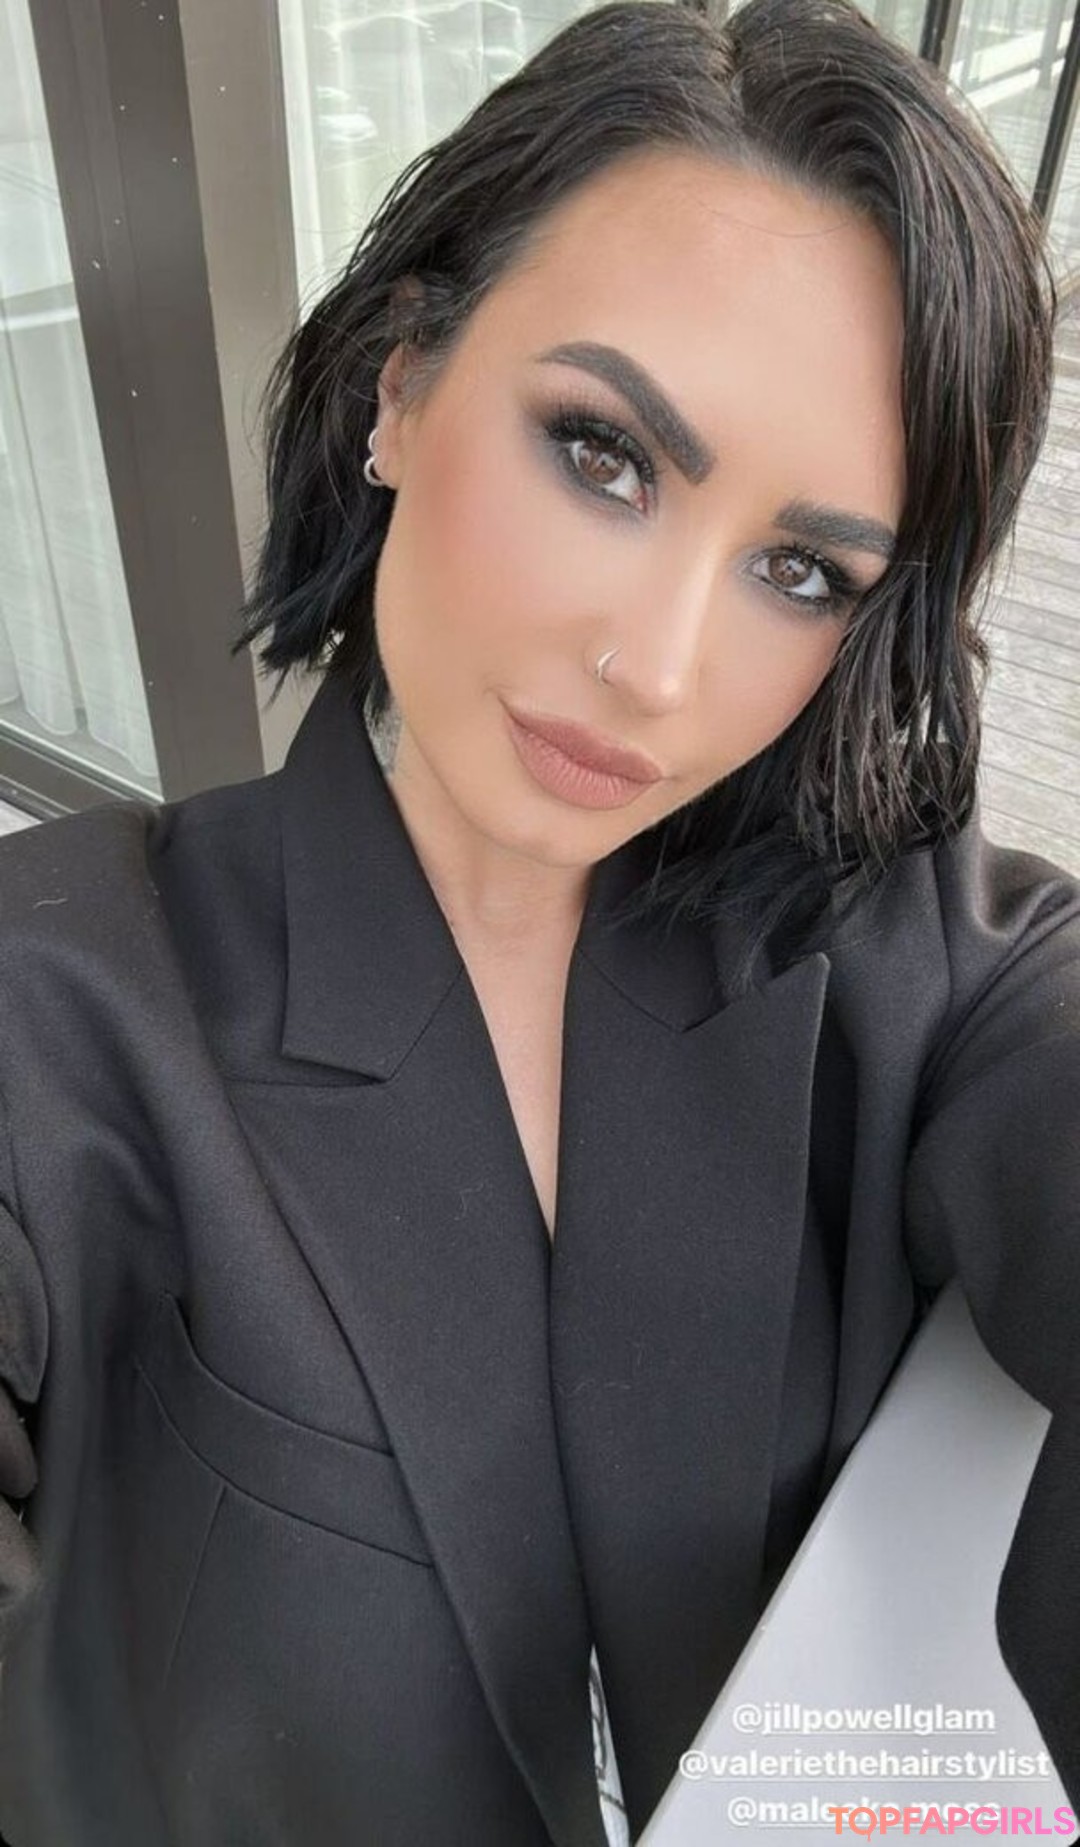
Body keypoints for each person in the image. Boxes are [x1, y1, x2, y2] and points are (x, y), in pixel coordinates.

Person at [0, 0, 1077, 1841]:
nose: (656, 666)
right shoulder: (61, 1004)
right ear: (399, 385)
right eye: (604, 455)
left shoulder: (898, 940)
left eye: (800, 570)